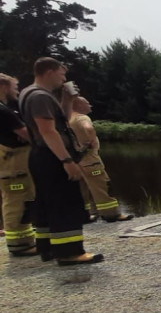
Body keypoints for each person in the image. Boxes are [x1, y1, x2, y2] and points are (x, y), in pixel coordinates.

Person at [18, 57, 103, 265]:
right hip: (52, 156)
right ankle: (70, 252)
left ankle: (48, 249)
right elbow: (48, 131)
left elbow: (61, 121)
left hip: (41, 156)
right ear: (49, 72)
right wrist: (66, 159)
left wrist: (67, 100)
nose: (63, 78)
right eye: (61, 74)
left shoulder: (31, 93)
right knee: (65, 203)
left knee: (46, 204)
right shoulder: (39, 96)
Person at [69, 97, 134, 223]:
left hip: (75, 161)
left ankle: (86, 215)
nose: (90, 105)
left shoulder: (67, 118)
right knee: (102, 186)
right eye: (87, 103)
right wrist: (92, 139)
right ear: (79, 105)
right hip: (89, 159)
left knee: (82, 189)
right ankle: (111, 214)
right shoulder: (82, 118)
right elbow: (88, 127)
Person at [0, 73, 37, 256]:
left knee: (19, 198)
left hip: (10, 162)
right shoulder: (3, 111)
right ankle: (18, 244)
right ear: (4, 87)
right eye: (15, 87)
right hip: (13, 163)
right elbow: (26, 133)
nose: (17, 90)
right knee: (17, 200)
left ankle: (23, 239)